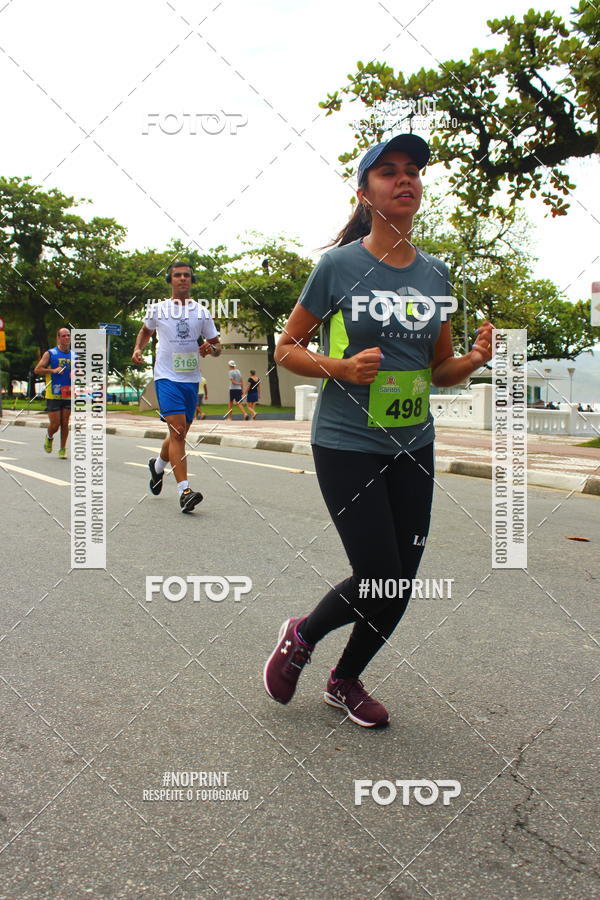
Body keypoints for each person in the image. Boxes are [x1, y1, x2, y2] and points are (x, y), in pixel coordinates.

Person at [263, 134, 494, 728]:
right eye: (388, 172)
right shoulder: (338, 267)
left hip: (413, 441)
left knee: (400, 583)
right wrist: (339, 368)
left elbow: (437, 370)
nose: (405, 179)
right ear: (364, 192)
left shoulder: (436, 274)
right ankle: (302, 636)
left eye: (413, 170)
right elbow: (286, 348)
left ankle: (345, 680)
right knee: (380, 574)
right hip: (346, 442)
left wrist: (470, 362)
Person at [132, 261, 221, 512]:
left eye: (187, 276)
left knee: (178, 433)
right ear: (170, 280)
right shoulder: (158, 309)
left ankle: (157, 467)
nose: (182, 279)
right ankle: (185, 491)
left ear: (191, 281)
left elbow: (216, 346)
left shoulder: (201, 312)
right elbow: (145, 332)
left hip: (191, 380)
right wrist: (138, 347)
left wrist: (210, 348)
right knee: (179, 431)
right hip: (166, 377)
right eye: (177, 275)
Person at [34, 328, 73, 459]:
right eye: (64, 336)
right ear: (58, 338)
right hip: (53, 393)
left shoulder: (75, 356)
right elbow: (37, 369)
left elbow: (80, 372)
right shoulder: (50, 353)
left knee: (65, 422)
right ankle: (49, 437)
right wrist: (53, 371)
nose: (67, 338)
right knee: (55, 425)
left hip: (68, 393)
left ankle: (63, 449)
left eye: (68, 335)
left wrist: (77, 374)